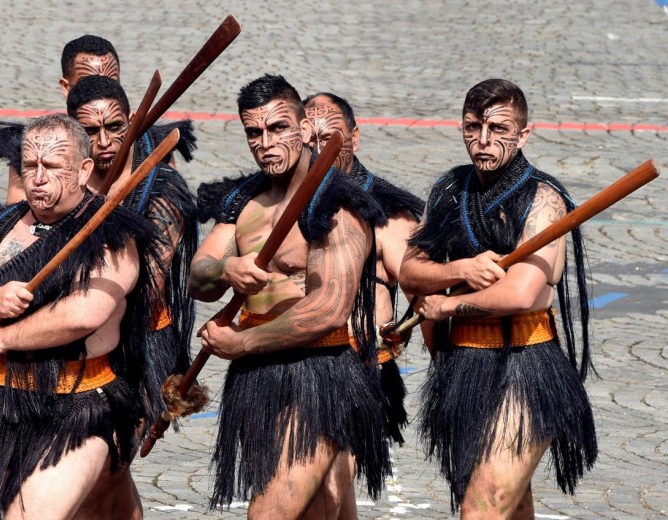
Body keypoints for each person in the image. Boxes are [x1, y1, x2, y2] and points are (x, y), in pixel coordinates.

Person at [0, 113, 162, 519]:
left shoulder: (113, 234)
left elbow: (85, 311)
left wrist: (2, 338)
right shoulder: (2, 227)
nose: (38, 177)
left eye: (53, 167)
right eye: (30, 166)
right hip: (2, 405)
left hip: (79, 406)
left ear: (84, 169)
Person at [191, 74, 390, 519]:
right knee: (318, 511)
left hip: (316, 372)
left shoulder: (335, 203)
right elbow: (198, 278)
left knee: (269, 513)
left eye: (278, 128)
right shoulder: (245, 200)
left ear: (303, 129)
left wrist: (240, 343)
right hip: (258, 378)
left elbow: (327, 308)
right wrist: (228, 268)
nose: (265, 142)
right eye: (254, 132)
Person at [399, 79, 597, 518]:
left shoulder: (543, 199)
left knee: (484, 507)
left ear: (524, 134)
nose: (483, 140)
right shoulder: (449, 190)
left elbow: (524, 293)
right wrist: (459, 270)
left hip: (526, 365)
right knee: (509, 504)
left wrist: (446, 304)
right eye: (473, 127)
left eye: (499, 128)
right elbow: (409, 270)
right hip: (464, 365)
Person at [66, 74, 198, 436]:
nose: (105, 141)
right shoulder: (63, 178)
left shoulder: (162, 191)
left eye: (115, 126)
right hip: (64, 334)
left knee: (106, 454)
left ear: (134, 120)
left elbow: (148, 285)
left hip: (136, 339)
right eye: (90, 131)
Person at [304, 91, 424, 444]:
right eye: (309, 139)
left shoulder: (390, 212)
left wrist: (404, 326)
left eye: (329, 138)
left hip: (360, 367)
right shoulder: (283, 202)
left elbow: (421, 289)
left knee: (335, 482)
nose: (319, 149)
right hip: (295, 364)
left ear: (354, 138)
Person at [0, 34, 122, 204]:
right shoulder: (33, 144)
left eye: (110, 83)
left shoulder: (151, 147)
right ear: (66, 88)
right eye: (87, 84)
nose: (100, 92)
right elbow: (17, 217)